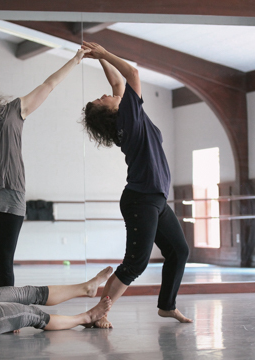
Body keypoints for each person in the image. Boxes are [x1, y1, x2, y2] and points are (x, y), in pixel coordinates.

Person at [0, 40, 90, 297]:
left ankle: (5, 313)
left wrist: (75, 59)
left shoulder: (16, 109)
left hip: (11, 195)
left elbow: (49, 84)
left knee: (4, 263)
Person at [80, 41, 192, 327]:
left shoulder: (129, 114)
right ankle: (99, 313)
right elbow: (132, 74)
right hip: (141, 199)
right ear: (109, 112)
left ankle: (167, 306)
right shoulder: (127, 119)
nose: (106, 94)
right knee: (135, 264)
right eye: (101, 99)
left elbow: (118, 81)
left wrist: (98, 58)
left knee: (179, 251)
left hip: (155, 199)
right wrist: (105, 52)